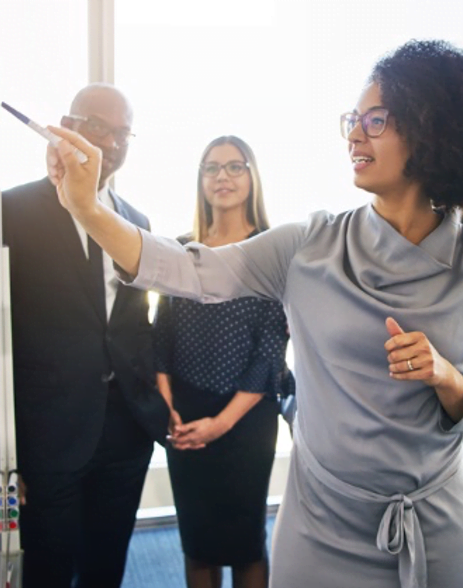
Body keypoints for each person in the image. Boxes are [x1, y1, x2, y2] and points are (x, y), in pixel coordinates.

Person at [48, 40, 463, 588]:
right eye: (353, 119)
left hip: (437, 526)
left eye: (376, 120)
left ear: (432, 130)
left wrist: (446, 376)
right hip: (322, 524)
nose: (355, 134)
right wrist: (86, 206)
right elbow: (182, 268)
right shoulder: (306, 246)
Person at [2, 83, 169, 588]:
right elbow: (3, 333)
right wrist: (12, 453)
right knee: (48, 569)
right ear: (67, 126)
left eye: (122, 133)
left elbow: (133, 324)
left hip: (125, 428)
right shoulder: (13, 211)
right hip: (49, 435)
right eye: (99, 127)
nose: (112, 142)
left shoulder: (136, 222)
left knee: (106, 565)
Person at [154, 135, 292, 588]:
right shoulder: (180, 250)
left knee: (245, 543)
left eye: (235, 166)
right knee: (196, 543)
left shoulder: (271, 252)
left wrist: (221, 424)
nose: (222, 177)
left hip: (246, 418)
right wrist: (167, 411)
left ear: (252, 177)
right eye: (211, 168)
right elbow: (162, 337)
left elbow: (270, 351)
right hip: (184, 414)